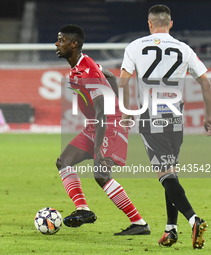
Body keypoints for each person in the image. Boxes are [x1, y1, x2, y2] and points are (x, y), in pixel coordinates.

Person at [118, 5, 210, 249]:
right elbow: (206, 83)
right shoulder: (184, 49)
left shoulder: (135, 46)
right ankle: (171, 229)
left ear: (150, 24)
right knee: (170, 171)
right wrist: (208, 116)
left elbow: (123, 82)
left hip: (150, 113)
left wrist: (128, 111)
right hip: (175, 115)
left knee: (164, 174)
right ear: (170, 23)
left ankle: (193, 219)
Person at [55, 24, 150, 235]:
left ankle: (140, 224)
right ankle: (83, 210)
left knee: (101, 173)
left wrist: (98, 150)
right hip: (96, 123)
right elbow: (112, 77)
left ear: (74, 44)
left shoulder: (86, 70)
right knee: (64, 162)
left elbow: (101, 113)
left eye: (61, 40)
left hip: (108, 123)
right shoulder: (83, 64)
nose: (56, 43)